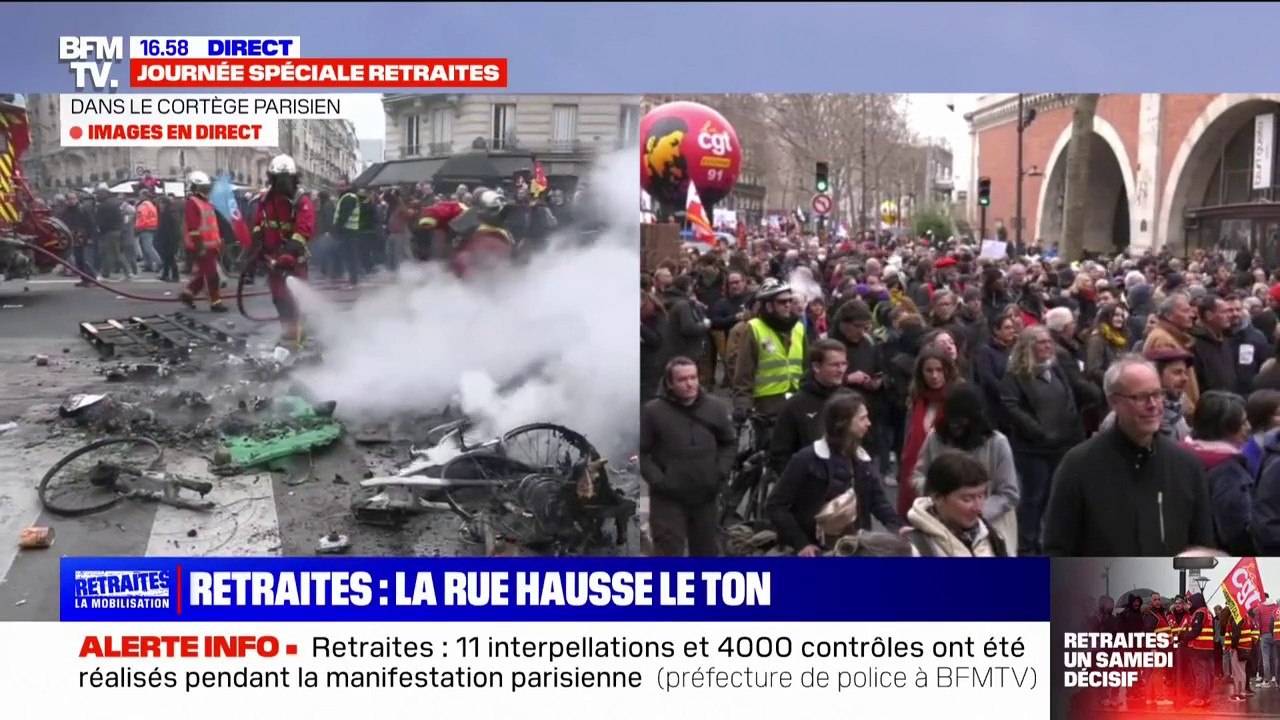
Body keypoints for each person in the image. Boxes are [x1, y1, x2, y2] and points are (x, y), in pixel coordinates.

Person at [1041, 354, 1215, 556]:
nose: (1153, 405)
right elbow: (1057, 550)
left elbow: (1203, 549)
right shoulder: (1078, 466)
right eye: (1140, 397)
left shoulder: (1186, 465)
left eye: (1157, 394)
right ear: (1114, 402)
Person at [766, 393, 903, 556]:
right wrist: (801, 544)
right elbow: (776, 506)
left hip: (854, 548)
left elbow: (877, 500)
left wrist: (898, 527)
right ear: (843, 423)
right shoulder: (807, 459)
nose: (868, 423)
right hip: (816, 552)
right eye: (862, 418)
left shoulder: (861, 460)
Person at [1000, 325, 1086, 555]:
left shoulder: (1055, 369)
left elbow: (1069, 396)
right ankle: (1026, 546)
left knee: (1053, 497)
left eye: (1049, 341)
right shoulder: (1016, 375)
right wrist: (1038, 431)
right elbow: (1010, 407)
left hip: (1062, 444)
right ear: (1029, 347)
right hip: (1033, 449)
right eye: (1042, 342)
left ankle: (1047, 541)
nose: (1048, 346)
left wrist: (1070, 425)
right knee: (1033, 498)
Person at [639, 357, 736, 556]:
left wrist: (720, 472)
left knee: (706, 554)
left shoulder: (716, 408)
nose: (690, 383)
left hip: (705, 496)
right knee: (668, 553)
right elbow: (641, 452)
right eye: (683, 379)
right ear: (670, 383)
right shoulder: (653, 412)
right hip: (668, 498)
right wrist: (659, 481)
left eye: (693, 377)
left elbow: (729, 443)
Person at [910, 384, 1021, 555]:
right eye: (951, 419)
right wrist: (937, 494)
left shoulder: (997, 443)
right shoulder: (936, 437)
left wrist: (975, 511)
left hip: (991, 526)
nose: (955, 427)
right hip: (942, 523)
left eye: (961, 421)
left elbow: (1009, 493)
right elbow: (918, 475)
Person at [251, 154, 315, 345]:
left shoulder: (300, 201)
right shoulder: (265, 199)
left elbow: (303, 229)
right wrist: (257, 244)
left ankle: (300, 339)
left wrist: (290, 253)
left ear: (294, 179)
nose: (282, 183)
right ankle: (289, 334)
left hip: (294, 260)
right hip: (272, 258)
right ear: (272, 178)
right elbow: (259, 222)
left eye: (286, 179)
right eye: (279, 179)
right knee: (280, 299)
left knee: (296, 301)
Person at [768, 338, 852, 474]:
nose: (841, 370)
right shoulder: (796, 405)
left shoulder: (850, 400)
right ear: (816, 367)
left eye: (844, 364)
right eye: (835, 365)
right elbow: (780, 454)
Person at [904, 451, 1011, 557]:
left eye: (981, 496)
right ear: (937, 497)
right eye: (967, 499)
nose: (978, 508)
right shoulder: (914, 548)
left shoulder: (993, 538)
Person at [896, 346, 961, 516]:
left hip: (947, 472)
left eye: (939, 370)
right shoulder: (916, 398)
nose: (934, 376)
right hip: (914, 471)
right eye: (929, 370)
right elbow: (908, 435)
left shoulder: (958, 397)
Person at [178, 171, 226, 312]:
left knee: (203, 273)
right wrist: (200, 246)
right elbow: (193, 227)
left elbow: (212, 225)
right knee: (212, 274)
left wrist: (219, 241)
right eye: (203, 188)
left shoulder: (205, 203)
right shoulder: (192, 203)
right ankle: (215, 301)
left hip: (210, 245)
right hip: (200, 246)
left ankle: (188, 294)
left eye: (207, 187)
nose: (207, 190)